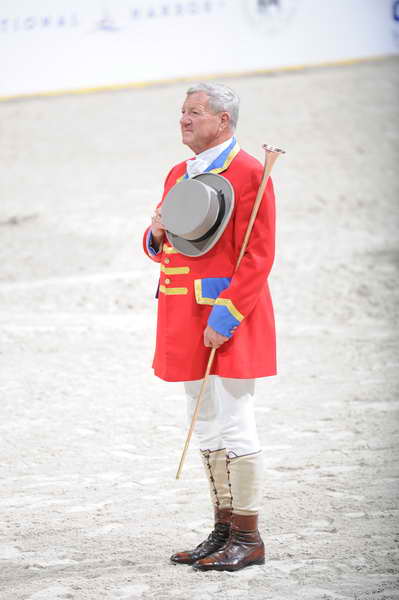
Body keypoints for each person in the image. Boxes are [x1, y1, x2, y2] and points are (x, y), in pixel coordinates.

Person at [143, 82, 276, 572]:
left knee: (237, 420)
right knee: (202, 422)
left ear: (223, 120)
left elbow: (258, 255)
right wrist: (154, 236)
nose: (184, 119)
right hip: (182, 312)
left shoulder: (250, 173)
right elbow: (168, 242)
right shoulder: (178, 172)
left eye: (194, 112)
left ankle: (248, 535)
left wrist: (227, 317)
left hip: (227, 314)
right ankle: (221, 530)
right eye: (182, 111)